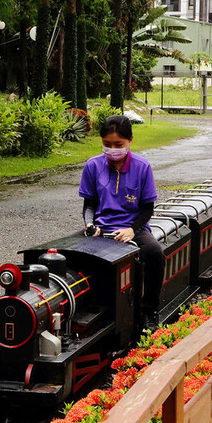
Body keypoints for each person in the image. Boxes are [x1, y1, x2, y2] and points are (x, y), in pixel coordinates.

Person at [78, 115, 165, 328]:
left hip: (133, 228)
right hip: (101, 229)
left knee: (155, 254)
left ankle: (149, 310)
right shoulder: (92, 166)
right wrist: (90, 225)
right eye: (107, 145)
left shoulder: (142, 167)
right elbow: (89, 205)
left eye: (118, 144)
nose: (112, 149)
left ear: (130, 141)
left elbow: (147, 208)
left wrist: (132, 230)